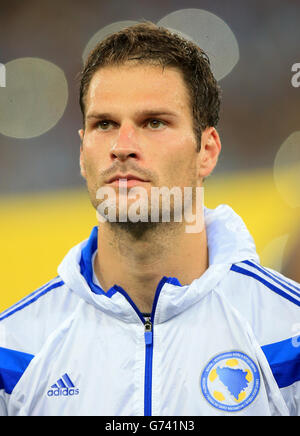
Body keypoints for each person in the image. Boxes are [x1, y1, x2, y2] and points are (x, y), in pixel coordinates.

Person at [0, 21, 299, 417]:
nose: (122, 147)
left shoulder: (288, 334)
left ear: (206, 151)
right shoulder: (14, 349)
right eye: (104, 124)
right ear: (81, 153)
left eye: (154, 122)